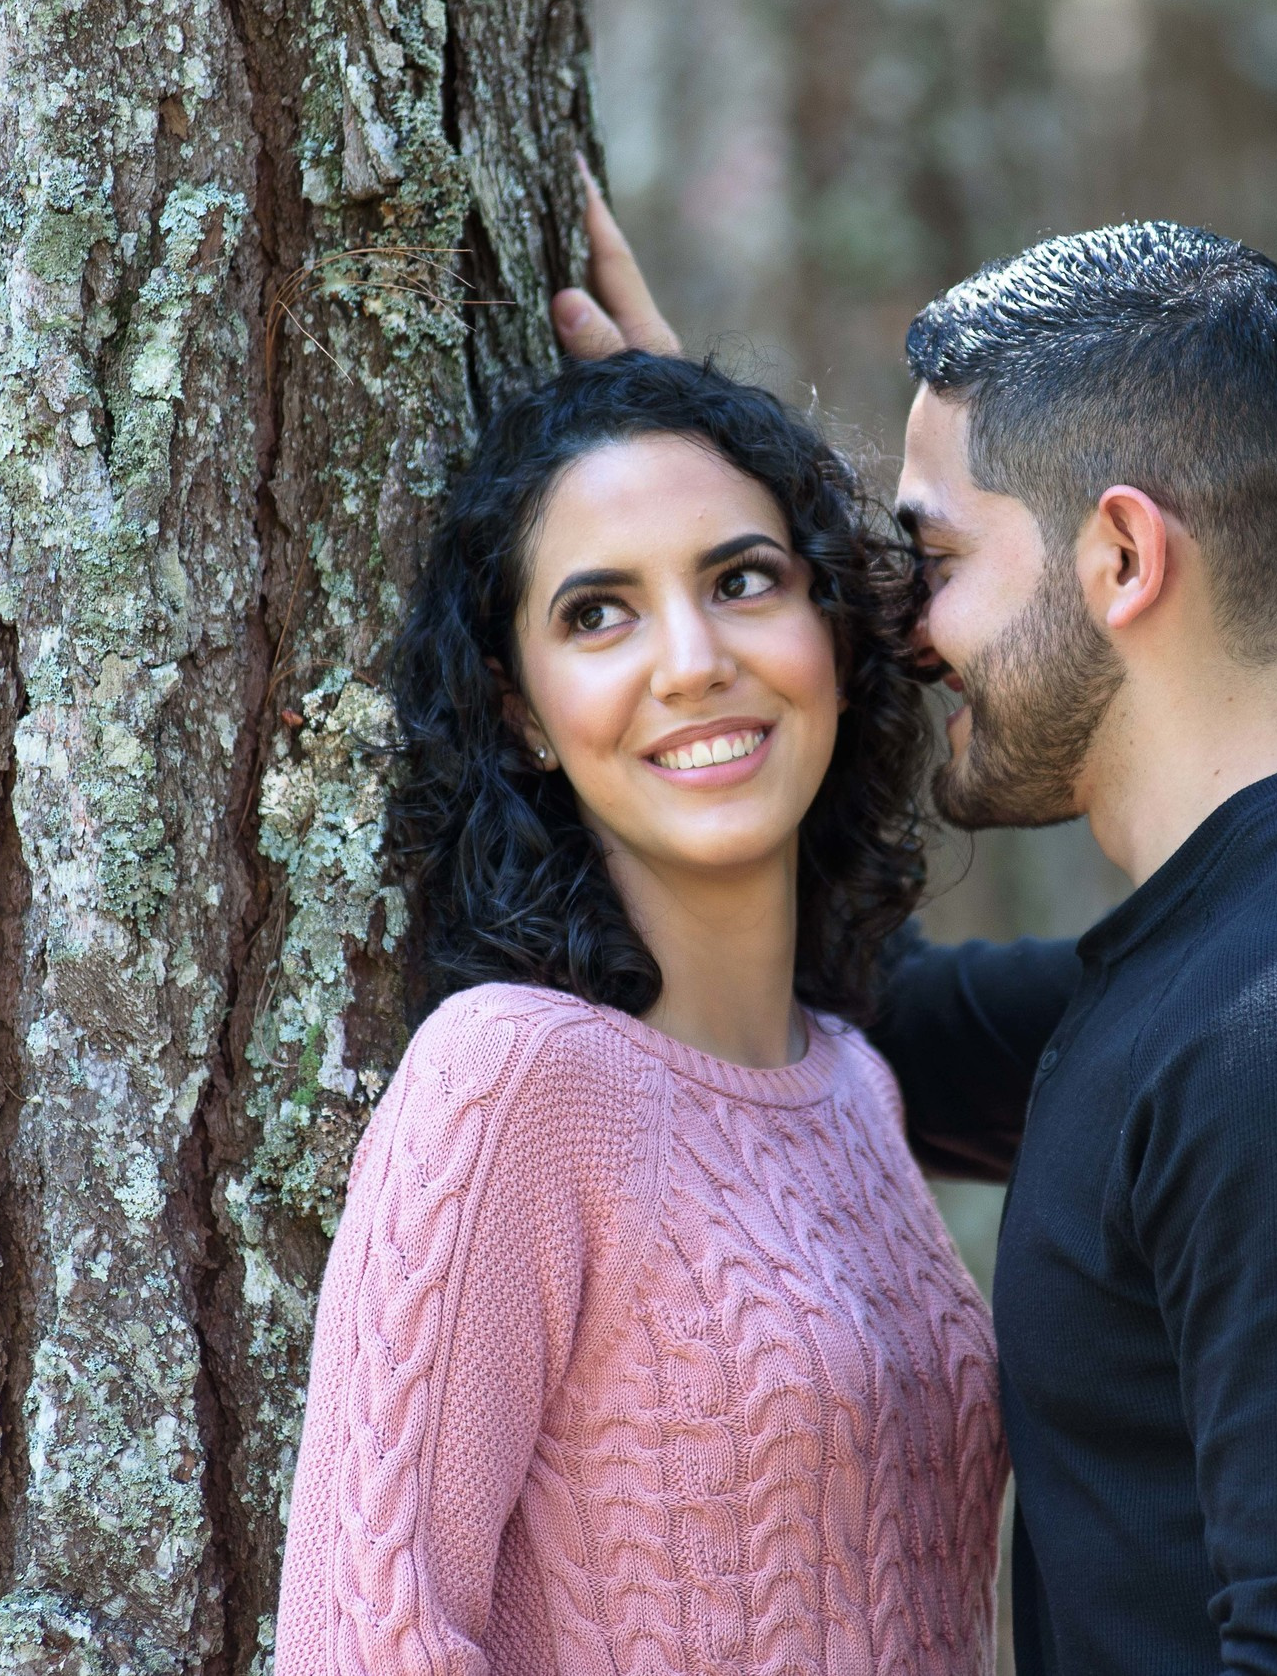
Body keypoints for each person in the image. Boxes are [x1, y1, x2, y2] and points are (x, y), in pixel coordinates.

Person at [557, 182, 1277, 1673]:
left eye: (934, 563)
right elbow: (878, 1019)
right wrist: (731, 562)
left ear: (1124, 558)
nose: (904, 624)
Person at [272, 352, 1006, 1676]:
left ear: (831, 631)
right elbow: (364, 1643)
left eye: (741, 581)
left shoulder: (854, 1085)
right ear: (525, 712)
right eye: (600, 614)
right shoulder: (508, 1084)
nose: (692, 661)